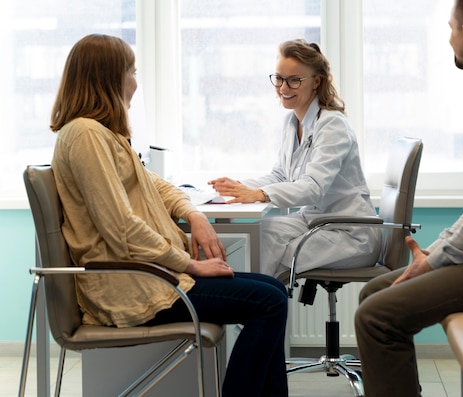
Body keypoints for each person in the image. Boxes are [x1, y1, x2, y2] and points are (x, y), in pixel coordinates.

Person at [50, 34, 288, 397]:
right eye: (131, 71)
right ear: (108, 78)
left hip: (150, 277)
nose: (135, 82)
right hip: (134, 286)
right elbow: (122, 229)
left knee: (272, 290)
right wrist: (190, 265)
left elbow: (157, 186)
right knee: (269, 302)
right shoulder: (85, 135)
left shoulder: (102, 134)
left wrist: (194, 215)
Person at [354, 0, 463, 396]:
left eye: (450, 28)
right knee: (373, 294)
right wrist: (436, 253)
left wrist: (437, 259)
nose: (449, 38)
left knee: (376, 317)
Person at [210, 39, 382, 277]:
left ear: (316, 82)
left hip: (350, 232)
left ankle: (253, 308)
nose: (283, 87)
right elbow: (280, 175)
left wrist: (260, 194)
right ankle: (245, 305)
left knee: (277, 252)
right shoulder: (293, 122)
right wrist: (239, 187)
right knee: (260, 234)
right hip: (316, 221)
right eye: (279, 78)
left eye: (294, 80)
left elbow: (314, 187)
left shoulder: (333, 125)